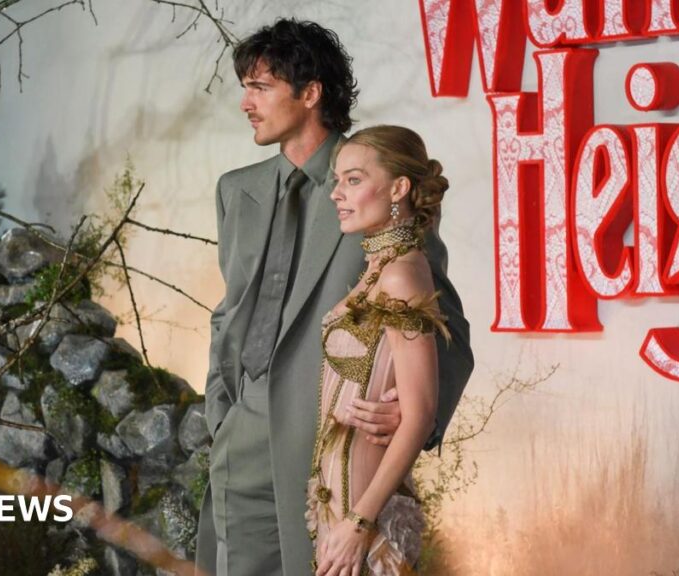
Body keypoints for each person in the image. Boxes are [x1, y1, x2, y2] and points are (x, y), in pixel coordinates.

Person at [195, 19, 474, 576]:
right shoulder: (236, 190)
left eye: (260, 87)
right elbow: (230, 313)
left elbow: (448, 326)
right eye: (244, 87)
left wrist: (415, 414)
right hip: (241, 435)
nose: (246, 103)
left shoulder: (373, 177)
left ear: (310, 92)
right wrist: (221, 410)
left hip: (334, 441)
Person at [307, 125, 447, 576]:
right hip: (341, 512)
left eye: (353, 179)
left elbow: (421, 413)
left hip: (367, 523)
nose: (337, 193)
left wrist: (360, 523)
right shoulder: (378, 269)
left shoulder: (402, 275)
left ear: (398, 188)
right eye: (337, 180)